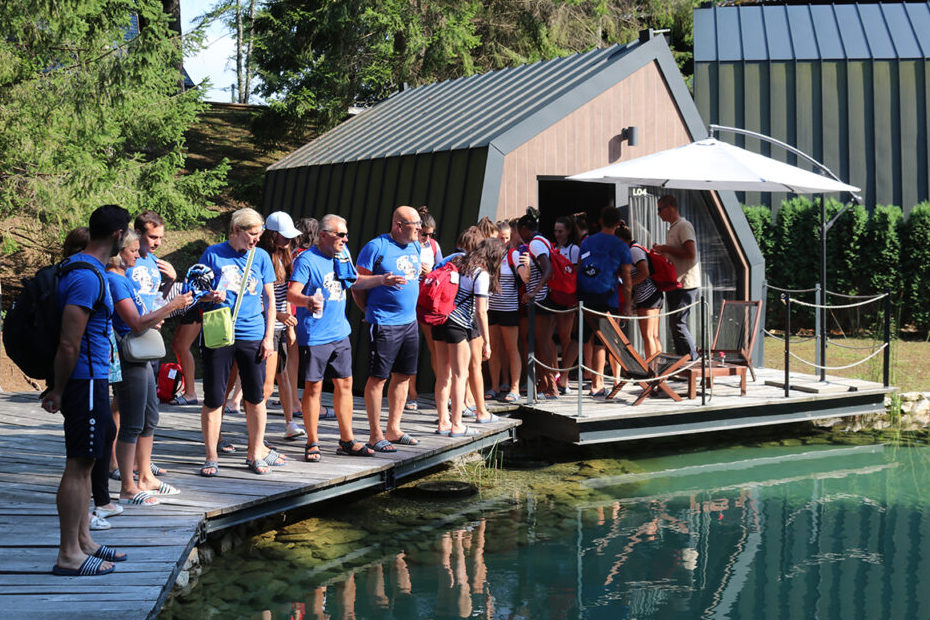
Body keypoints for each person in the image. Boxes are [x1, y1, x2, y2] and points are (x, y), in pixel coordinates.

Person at [42, 204, 130, 577]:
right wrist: (58, 389)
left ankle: (83, 542)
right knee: (78, 466)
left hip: (91, 380)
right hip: (83, 380)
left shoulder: (87, 269)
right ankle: (68, 555)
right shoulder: (87, 277)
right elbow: (68, 342)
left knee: (87, 461)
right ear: (117, 235)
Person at [288, 214, 406, 460]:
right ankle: (312, 442)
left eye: (346, 234)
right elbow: (292, 293)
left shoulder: (343, 254)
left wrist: (381, 280)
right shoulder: (306, 260)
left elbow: (355, 281)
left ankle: (347, 439)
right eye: (339, 235)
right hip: (314, 335)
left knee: (345, 385)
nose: (345, 239)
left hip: (340, 333)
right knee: (314, 388)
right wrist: (307, 301)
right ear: (323, 236)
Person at [197, 207, 284, 476]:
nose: (257, 239)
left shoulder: (260, 257)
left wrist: (269, 337)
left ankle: (255, 453)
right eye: (252, 234)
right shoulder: (213, 253)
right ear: (236, 230)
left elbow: (270, 301)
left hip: (252, 333)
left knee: (255, 397)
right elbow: (196, 294)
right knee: (213, 398)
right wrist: (210, 296)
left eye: (259, 234)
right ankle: (211, 456)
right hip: (219, 332)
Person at [107, 229, 191, 504]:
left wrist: (157, 314)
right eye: (132, 251)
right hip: (130, 356)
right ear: (118, 252)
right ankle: (128, 486)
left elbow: (142, 314)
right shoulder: (114, 280)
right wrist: (171, 307)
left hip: (143, 357)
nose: (137, 255)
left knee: (149, 417)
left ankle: (146, 475)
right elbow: (134, 322)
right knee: (132, 422)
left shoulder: (124, 278)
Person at [354, 206, 423, 452]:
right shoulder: (376, 247)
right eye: (415, 224)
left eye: (420, 223)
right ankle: (375, 434)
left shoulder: (415, 246)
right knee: (378, 377)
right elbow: (356, 283)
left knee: (404, 375)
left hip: (409, 322)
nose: (419, 228)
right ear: (398, 225)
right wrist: (369, 313)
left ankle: (394, 428)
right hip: (384, 322)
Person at [432, 238, 505, 436]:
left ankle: (443, 422)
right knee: (460, 375)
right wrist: (487, 341)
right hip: (457, 325)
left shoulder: (457, 261)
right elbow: (481, 312)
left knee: (443, 374)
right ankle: (457, 425)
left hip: (439, 321)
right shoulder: (480, 274)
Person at [577, 206, 632, 397]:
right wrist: (628, 304)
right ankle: (596, 383)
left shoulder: (588, 241)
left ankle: (564, 379)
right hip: (608, 297)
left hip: (585, 295)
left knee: (581, 338)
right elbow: (626, 279)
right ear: (618, 224)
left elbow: (579, 268)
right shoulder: (621, 246)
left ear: (600, 220)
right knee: (602, 341)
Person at [259, 211, 303, 439]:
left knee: (283, 375)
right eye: (284, 237)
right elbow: (260, 299)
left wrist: (290, 326)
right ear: (272, 235)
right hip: (265, 327)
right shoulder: (262, 258)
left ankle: (289, 423)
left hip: (280, 326)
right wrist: (279, 318)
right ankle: (258, 433)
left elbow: (284, 296)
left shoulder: (286, 258)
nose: (288, 241)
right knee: (266, 386)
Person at [515, 209, 558, 398]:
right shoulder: (543, 241)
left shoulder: (535, 244)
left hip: (542, 300)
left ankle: (551, 388)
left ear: (524, 229)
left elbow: (547, 270)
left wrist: (534, 291)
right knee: (541, 342)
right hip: (543, 298)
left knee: (542, 343)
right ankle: (544, 384)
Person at [652, 195, 700, 360]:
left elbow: (690, 253)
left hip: (685, 284)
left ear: (670, 207)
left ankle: (692, 361)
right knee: (675, 325)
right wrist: (662, 251)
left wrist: (665, 248)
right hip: (675, 284)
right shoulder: (674, 227)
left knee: (678, 324)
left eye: (659, 209)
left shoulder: (683, 226)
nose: (658, 214)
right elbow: (677, 253)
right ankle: (682, 363)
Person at [407, 206, 443, 412]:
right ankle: (411, 394)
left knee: (434, 347)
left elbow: (442, 271)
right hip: (409, 301)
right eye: (425, 234)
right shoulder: (408, 245)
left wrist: (431, 272)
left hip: (427, 301)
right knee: (411, 348)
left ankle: (442, 391)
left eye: (431, 234)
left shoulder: (434, 246)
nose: (427, 238)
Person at [617, 224, 664, 359]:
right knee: (653, 335)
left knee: (648, 335)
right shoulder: (636, 249)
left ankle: (652, 370)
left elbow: (645, 272)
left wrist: (628, 284)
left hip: (646, 296)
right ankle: (657, 370)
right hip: (651, 295)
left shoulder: (633, 251)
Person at [487, 224, 522, 403]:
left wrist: (527, 266)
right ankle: (494, 386)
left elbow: (525, 277)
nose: (504, 241)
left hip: (508, 309)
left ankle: (514, 388)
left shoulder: (513, 255)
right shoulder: (490, 256)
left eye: (507, 237)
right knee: (493, 349)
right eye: (501, 237)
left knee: (511, 348)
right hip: (491, 308)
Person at [552, 216, 581, 394]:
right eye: (555, 231)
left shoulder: (574, 249)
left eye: (560, 231)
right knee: (549, 337)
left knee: (565, 336)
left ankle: (565, 375)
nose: (557, 234)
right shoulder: (553, 248)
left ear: (569, 231)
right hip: (553, 297)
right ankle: (555, 373)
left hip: (568, 298)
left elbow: (576, 274)